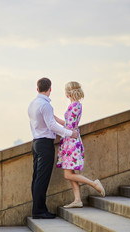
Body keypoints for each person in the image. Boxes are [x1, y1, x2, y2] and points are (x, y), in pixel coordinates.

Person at [28, 77, 78, 219]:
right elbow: (52, 125)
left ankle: (39, 209)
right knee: (42, 180)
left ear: (37, 89)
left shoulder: (32, 104)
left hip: (35, 143)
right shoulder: (46, 106)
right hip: (44, 145)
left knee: (37, 179)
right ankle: (39, 211)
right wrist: (70, 133)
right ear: (50, 89)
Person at [55, 81, 105, 208]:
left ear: (68, 93)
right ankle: (77, 200)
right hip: (71, 142)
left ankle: (94, 184)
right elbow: (68, 124)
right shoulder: (75, 105)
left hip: (70, 143)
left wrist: (53, 121)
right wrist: (54, 118)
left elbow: (69, 127)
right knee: (72, 174)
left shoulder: (74, 106)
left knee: (68, 174)